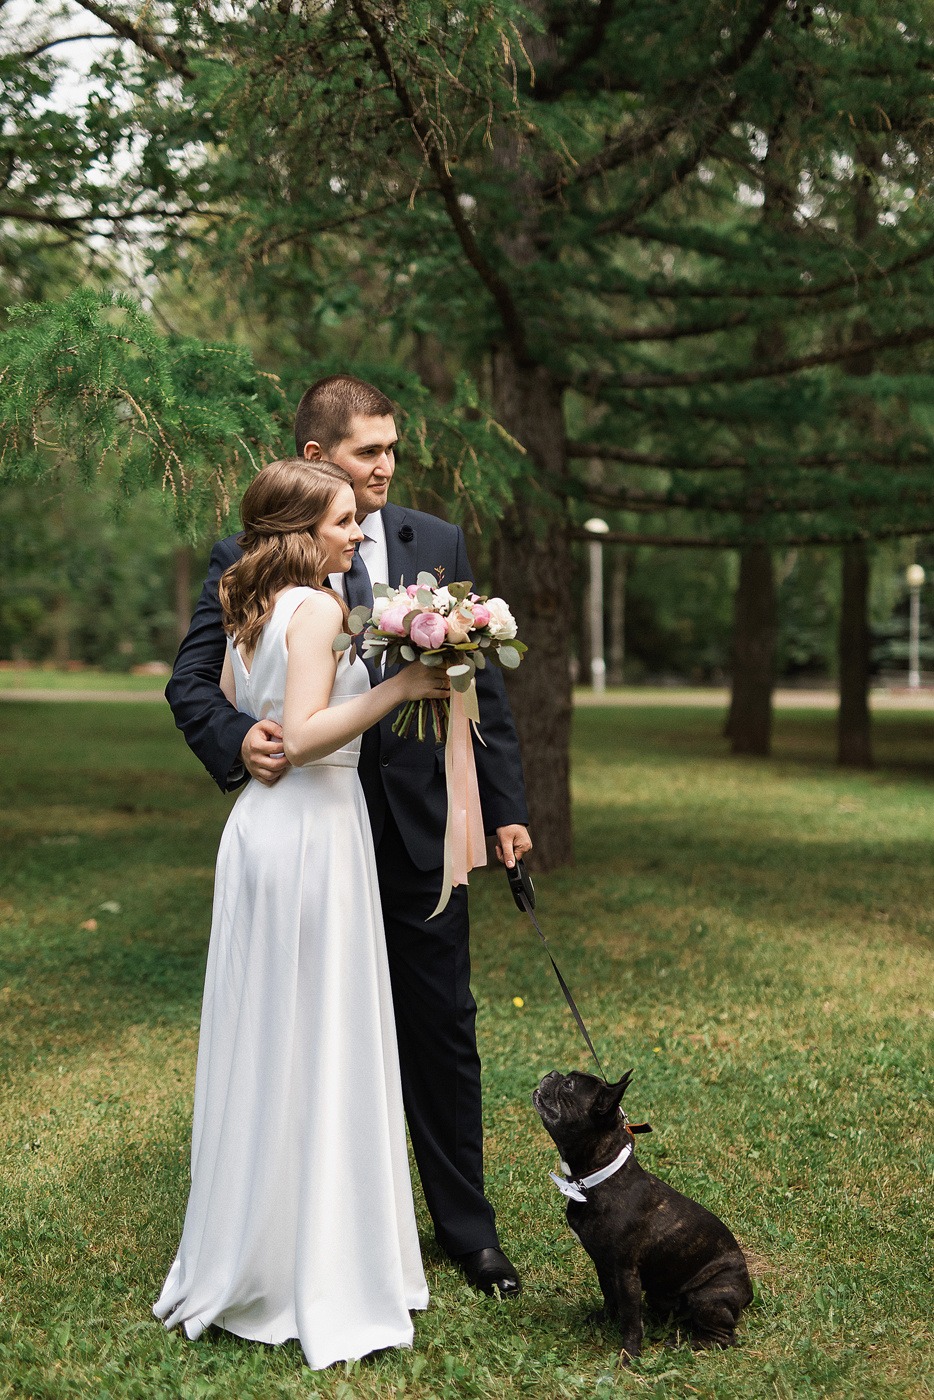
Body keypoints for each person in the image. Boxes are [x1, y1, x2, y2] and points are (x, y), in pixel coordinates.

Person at [166, 375, 532, 1296]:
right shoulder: (246, 554)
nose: (387, 467)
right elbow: (194, 682)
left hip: (414, 832)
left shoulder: (433, 542)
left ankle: (467, 1231)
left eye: (393, 450)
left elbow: (478, 686)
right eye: (370, 451)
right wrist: (237, 738)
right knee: (313, 1028)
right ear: (319, 456)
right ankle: (309, 1219)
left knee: (441, 1028)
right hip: (309, 827)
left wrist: (504, 807)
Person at [154, 457, 444, 1368]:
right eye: (343, 522)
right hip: (315, 830)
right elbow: (310, 731)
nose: (358, 535)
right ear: (302, 532)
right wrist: (403, 688)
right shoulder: (316, 607)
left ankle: (260, 1245)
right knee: (319, 1033)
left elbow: (254, 716)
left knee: (267, 1033)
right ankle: (315, 1263)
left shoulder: (251, 610)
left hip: (258, 831)